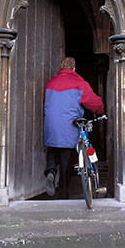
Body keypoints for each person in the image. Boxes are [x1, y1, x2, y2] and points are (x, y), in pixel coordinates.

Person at [43, 56, 104, 198]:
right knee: (66, 158)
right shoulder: (79, 84)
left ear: (61, 68)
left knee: (52, 149)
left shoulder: (50, 83)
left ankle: (51, 171)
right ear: (74, 68)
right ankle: (63, 193)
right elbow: (94, 103)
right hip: (69, 126)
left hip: (51, 125)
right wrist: (100, 111)